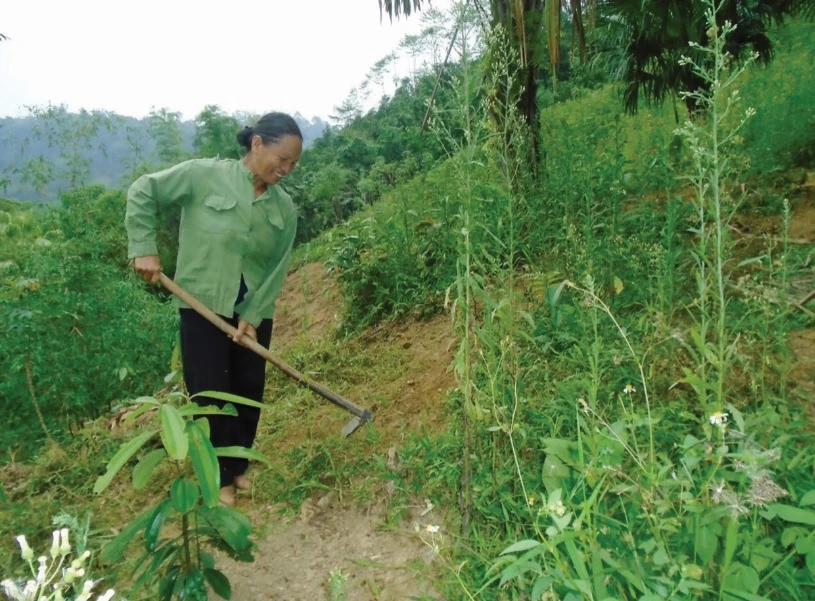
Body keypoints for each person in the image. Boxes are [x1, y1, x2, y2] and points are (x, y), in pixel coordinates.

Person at [125, 112, 303, 506]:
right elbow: (143, 191)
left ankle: (238, 467)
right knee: (209, 391)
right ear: (257, 143)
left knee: (247, 389)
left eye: (293, 163)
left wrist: (253, 318)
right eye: (283, 158)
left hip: (251, 313)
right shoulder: (204, 175)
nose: (286, 169)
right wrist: (144, 248)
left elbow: (277, 267)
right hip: (202, 303)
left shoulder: (284, 209)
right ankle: (217, 476)